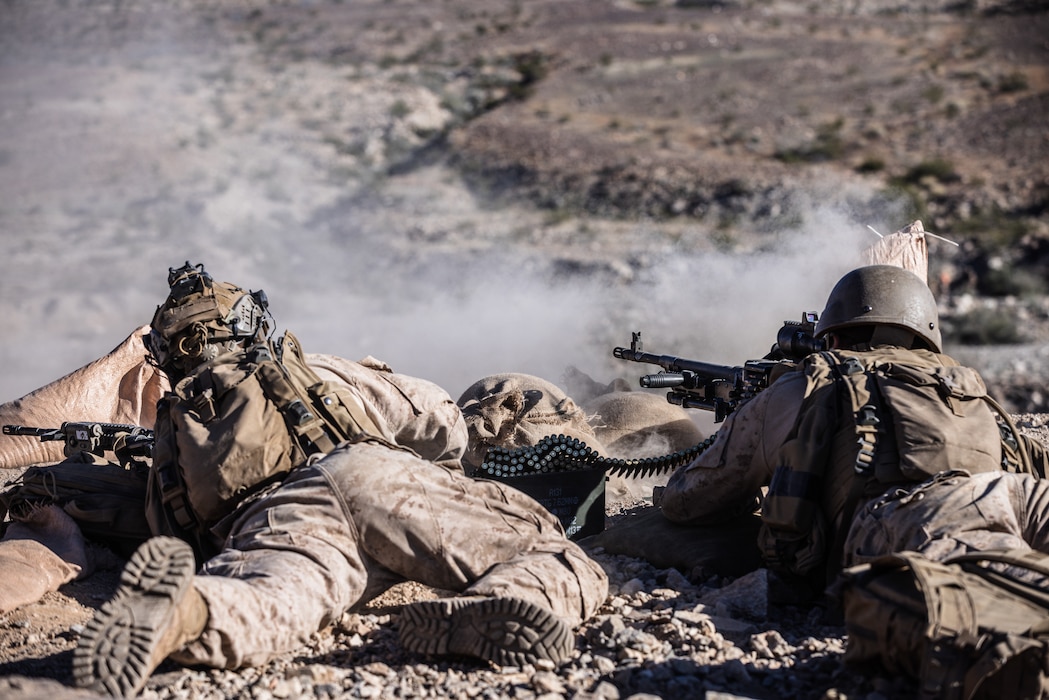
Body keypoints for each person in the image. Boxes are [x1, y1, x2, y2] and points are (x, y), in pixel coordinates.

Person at [0, 262, 608, 698]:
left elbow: (170, 521)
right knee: (549, 550)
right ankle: (503, 603)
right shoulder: (313, 371)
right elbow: (437, 415)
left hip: (273, 516)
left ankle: (189, 612)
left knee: (271, 598)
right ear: (254, 325)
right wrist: (445, 469)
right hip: (376, 474)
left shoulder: (177, 426)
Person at [655, 264, 1048, 593]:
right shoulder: (962, 390)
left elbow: (690, 501)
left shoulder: (807, 387)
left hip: (906, 539)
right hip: (1008, 508)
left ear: (834, 337)